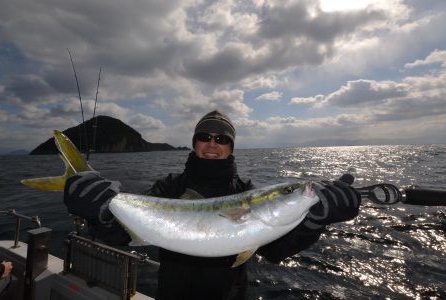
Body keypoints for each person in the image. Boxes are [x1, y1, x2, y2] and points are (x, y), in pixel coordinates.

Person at [64, 110, 361, 300]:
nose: (212, 143)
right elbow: (122, 234)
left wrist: (315, 221)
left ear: (231, 147)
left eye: (222, 139)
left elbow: (276, 248)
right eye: (204, 136)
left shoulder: (245, 192)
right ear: (194, 143)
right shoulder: (169, 187)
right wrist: (101, 213)